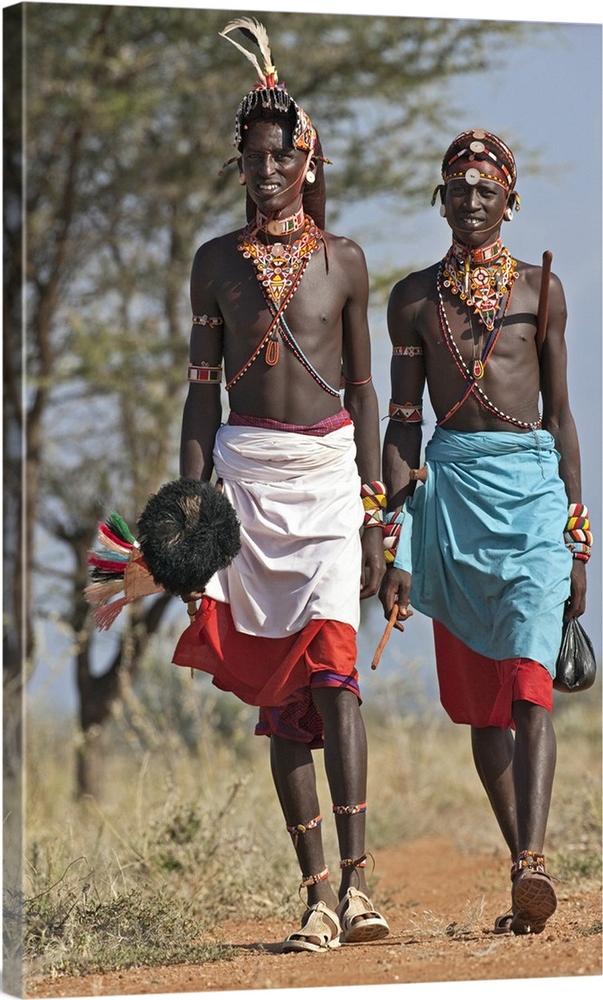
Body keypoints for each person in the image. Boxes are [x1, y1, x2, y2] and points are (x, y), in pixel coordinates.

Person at [172, 18, 390, 952]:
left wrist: (378, 516)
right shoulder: (214, 265)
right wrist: (188, 523)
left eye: (282, 158)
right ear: (241, 164)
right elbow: (198, 405)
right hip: (248, 489)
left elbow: (367, 392)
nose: (267, 174)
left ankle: (360, 883)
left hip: (331, 482)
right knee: (280, 699)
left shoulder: (344, 261)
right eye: (254, 159)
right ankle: (313, 898)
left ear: (308, 161)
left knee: (337, 677)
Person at [378, 129, 590, 936]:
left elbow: (564, 417)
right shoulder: (411, 299)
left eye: (485, 187)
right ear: (442, 198)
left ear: (511, 198)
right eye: (457, 188)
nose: (471, 199)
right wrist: (394, 540)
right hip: (452, 499)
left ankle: (534, 861)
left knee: (532, 677)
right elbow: (403, 426)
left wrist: (576, 538)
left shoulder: (542, 290)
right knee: (480, 704)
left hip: (534, 496)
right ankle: (519, 869)